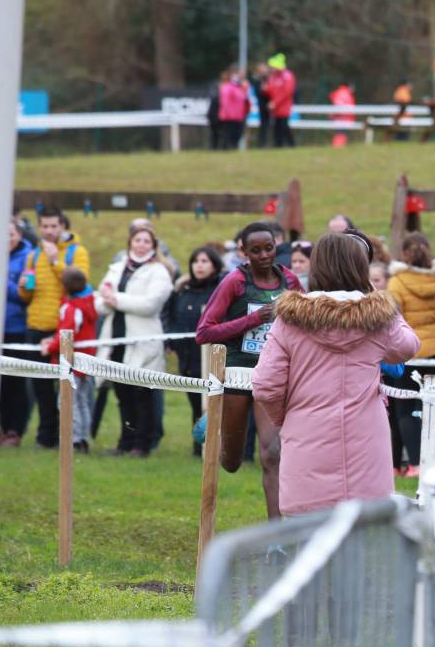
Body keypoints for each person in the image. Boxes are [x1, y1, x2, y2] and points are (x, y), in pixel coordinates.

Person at [253, 232, 420, 517]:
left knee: (310, 540)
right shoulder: (377, 318)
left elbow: (266, 386)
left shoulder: (289, 320)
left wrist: (287, 419)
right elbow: (407, 347)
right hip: (366, 440)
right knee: (364, 538)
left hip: (306, 435)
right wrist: (381, 301)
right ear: (361, 269)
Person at [196, 221, 303, 517]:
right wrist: (255, 320)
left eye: (269, 248)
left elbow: (307, 323)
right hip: (237, 373)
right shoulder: (235, 282)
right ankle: (213, 428)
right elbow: (204, 332)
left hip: (272, 375)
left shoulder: (290, 282)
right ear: (244, 252)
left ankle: (276, 534)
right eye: (256, 251)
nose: (264, 255)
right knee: (231, 461)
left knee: (272, 453)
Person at [94, 225, 174, 457]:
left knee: (142, 394)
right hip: (116, 339)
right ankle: (125, 442)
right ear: (130, 242)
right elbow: (99, 302)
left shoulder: (158, 271)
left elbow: (150, 305)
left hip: (142, 340)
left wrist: (115, 299)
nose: (141, 245)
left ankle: (142, 444)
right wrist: (109, 300)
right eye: (137, 240)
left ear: (153, 246)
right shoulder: (117, 268)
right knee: (122, 394)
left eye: (146, 241)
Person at [387, 232, 435, 472]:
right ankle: (433, 459)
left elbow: (392, 317)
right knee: (432, 407)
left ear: (404, 254)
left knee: (405, 409)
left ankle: (416, 464)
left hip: (410, 353)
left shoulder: (397, 281)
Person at [17, 206, 89, 449]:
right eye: (44, 226)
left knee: (66, 387)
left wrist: (56, 261)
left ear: (63, 226)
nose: (48, 231)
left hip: (62, 329)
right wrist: (24, 286)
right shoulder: (33, 254)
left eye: (53, 226)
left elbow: (80, 284)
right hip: (35, 324)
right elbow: (27, 293)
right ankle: (46, 435)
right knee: (40, 385)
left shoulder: (76, 253)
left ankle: (70, 435)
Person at [164, 246, 224, 456]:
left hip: (212, 357)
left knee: (213, 404)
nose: (199, 265)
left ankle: (218, 449)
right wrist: (171, 340)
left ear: (214, 265)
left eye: (205, 261)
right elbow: (169, 316)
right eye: (196, 261)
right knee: (195, 403)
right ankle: (198, 449)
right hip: (186, 355)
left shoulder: (221, 289)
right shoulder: (182, 289)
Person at [39, 267, 98, 454]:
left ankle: (74, 440)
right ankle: (82, 438)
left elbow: (67, 335)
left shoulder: (71, 308)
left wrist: (49, 347)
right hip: (85, 362)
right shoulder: (87, 304)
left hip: (72, 363)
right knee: (81, 401)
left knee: (67, 402)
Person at [0, 219, 34, 447]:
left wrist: (3, 282)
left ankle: (15, 430)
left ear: (19, 235)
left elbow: (25, 294)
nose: (8, 238)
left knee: (16, 381)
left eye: (11, 234)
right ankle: (2, 428)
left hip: (18, 328)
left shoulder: (29, 259)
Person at [266, 53, 296, 148]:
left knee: (284, 126)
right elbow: (271, 90)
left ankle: (291, 145)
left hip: (284, 106)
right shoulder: (273, 77)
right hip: (275, 108)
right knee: (277, 127)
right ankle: (278, 146)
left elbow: (287, 91)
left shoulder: (287, 76)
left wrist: (275, 102)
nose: (271, 68)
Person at [217, 67, 249, 150]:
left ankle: (232, 148)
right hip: (229, 117)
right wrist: (226, 114)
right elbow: (225, 102)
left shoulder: (240, 88)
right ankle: (227, 149)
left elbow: (244, 100)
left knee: (237, 135)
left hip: (238, 116)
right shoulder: (227, 87)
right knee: (228, 136)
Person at [329, 81, 355, 148]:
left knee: (340, 133)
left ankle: (339, 146)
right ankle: (338, 147)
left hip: (341, 118)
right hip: (342, 118)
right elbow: (339, 105)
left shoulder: (341, 92)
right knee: (340, 134)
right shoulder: (344, 93)